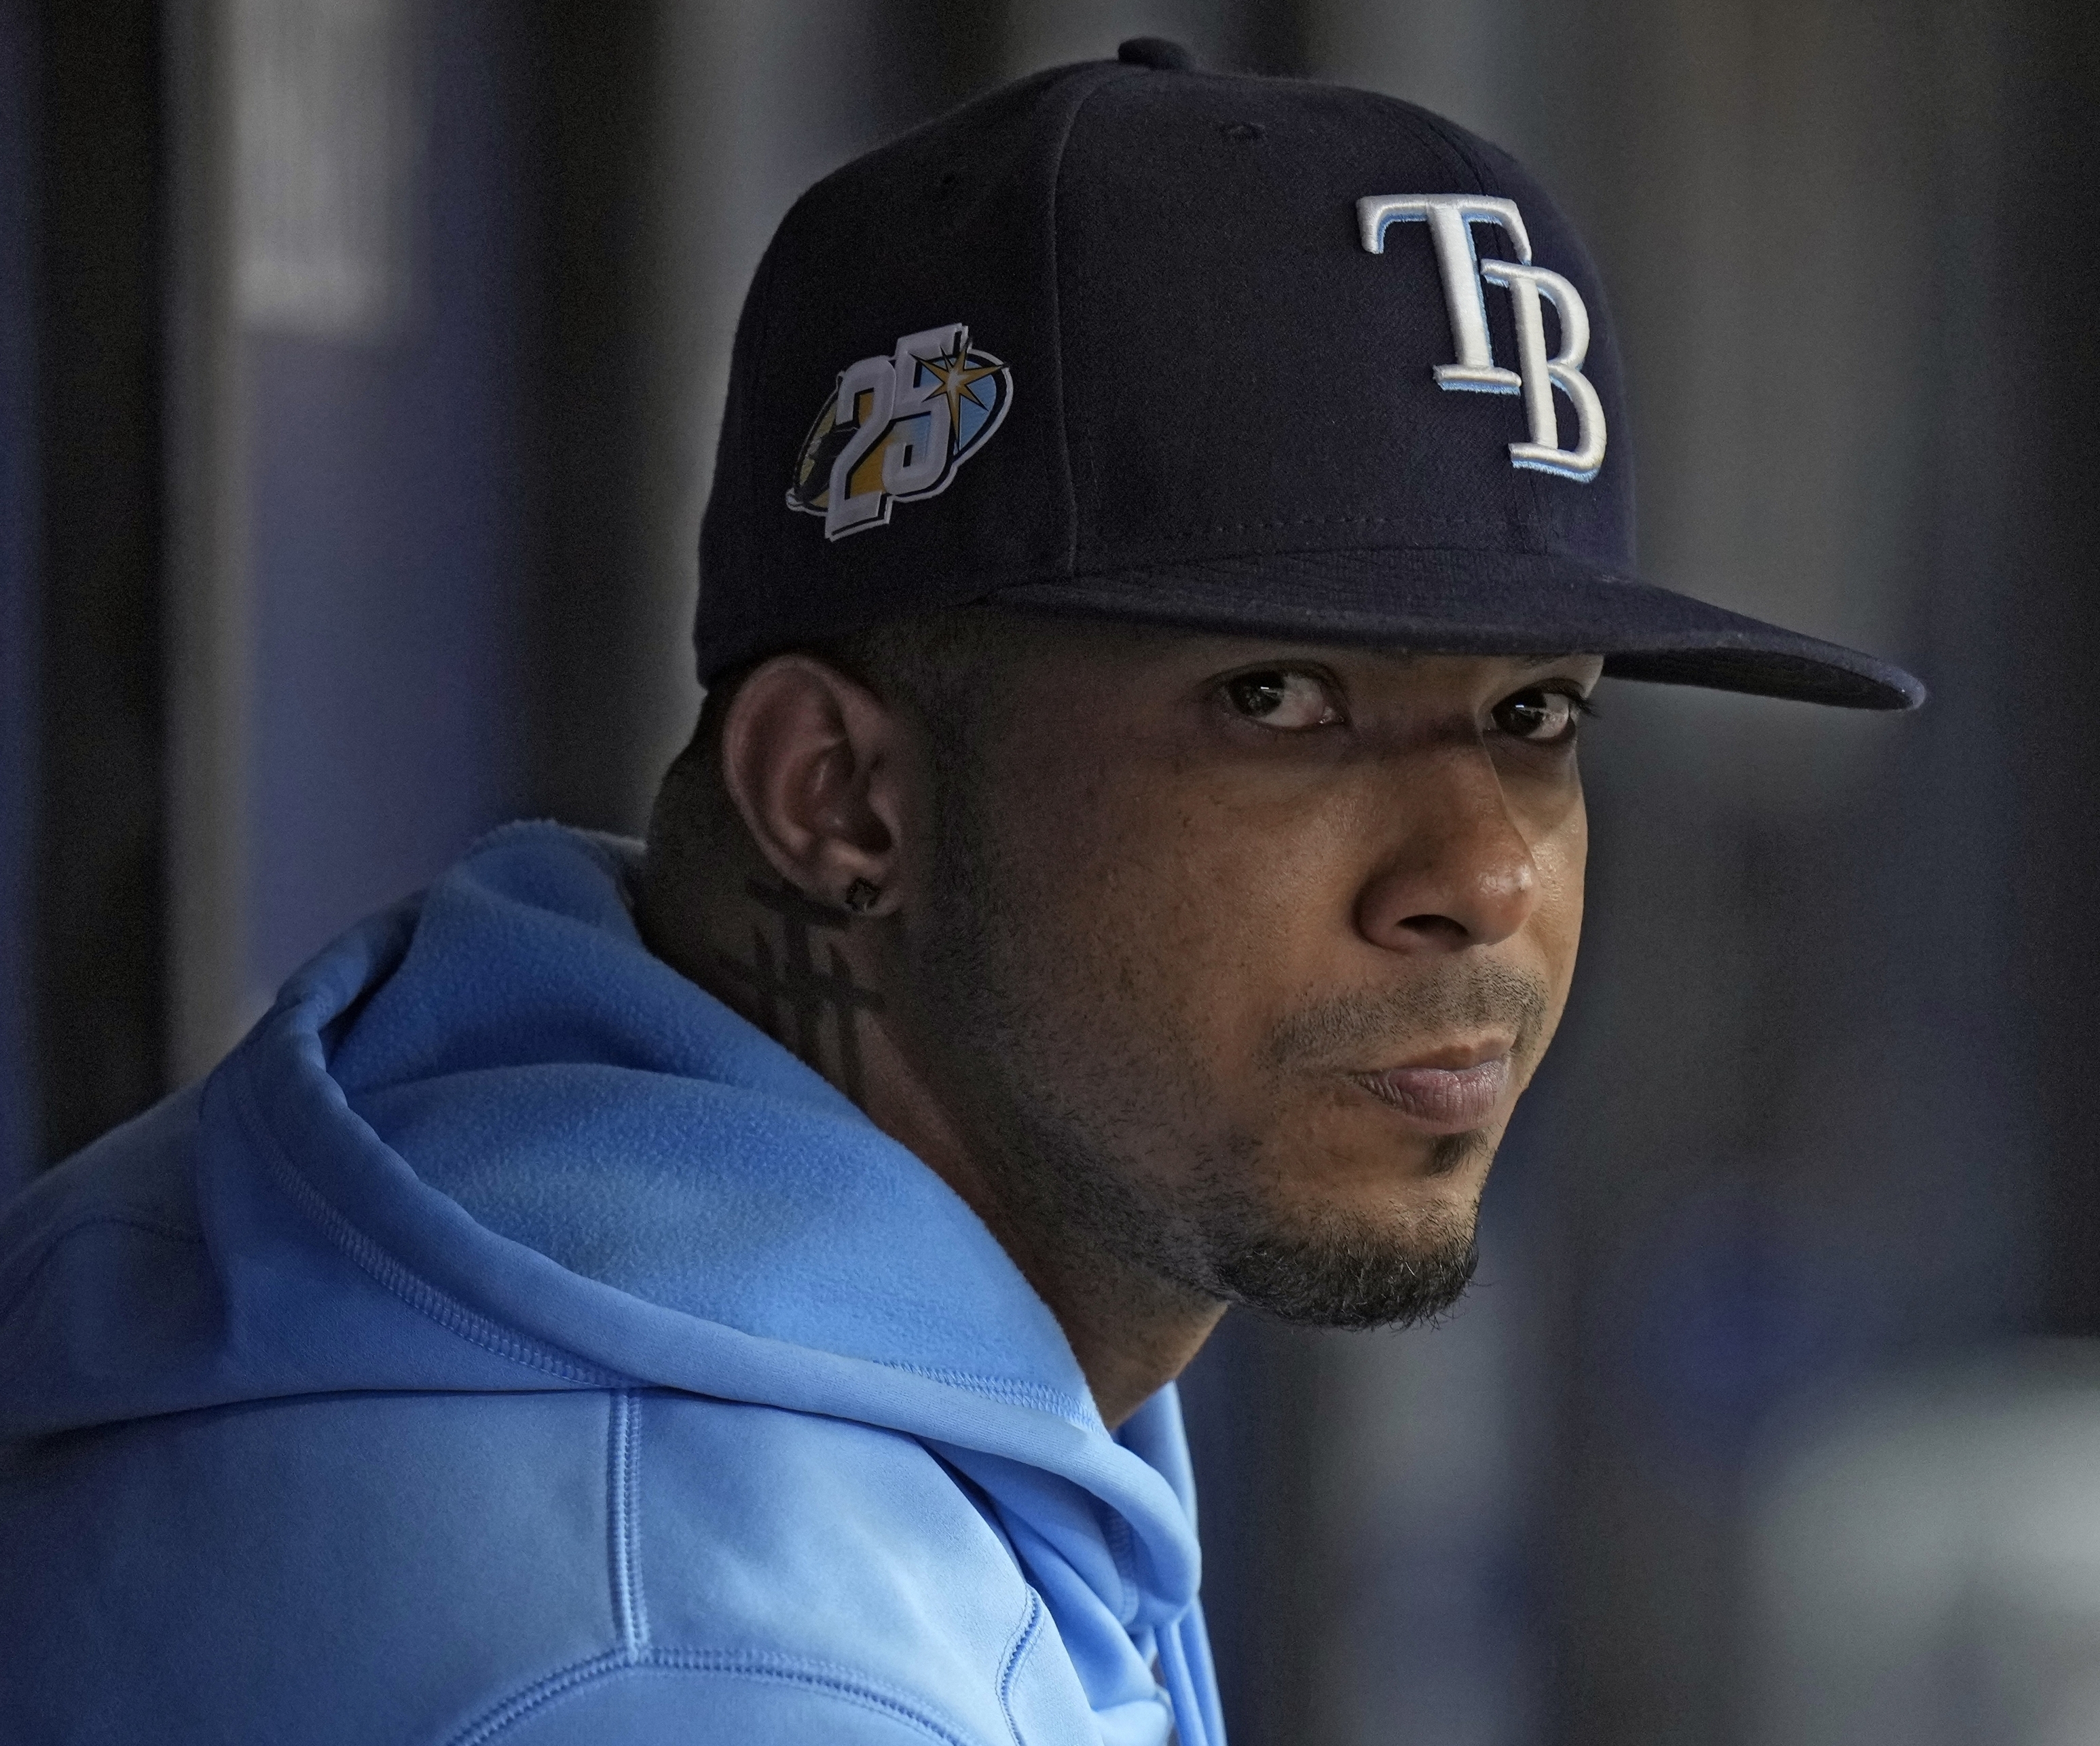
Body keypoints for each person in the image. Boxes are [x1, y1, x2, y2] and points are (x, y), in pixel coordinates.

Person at [0, 39, 1919, 1746]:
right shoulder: (726, 1667)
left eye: (1534, 715)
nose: (1482, 874)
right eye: (1280, 700)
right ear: (841, 796)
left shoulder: (484, 1230)